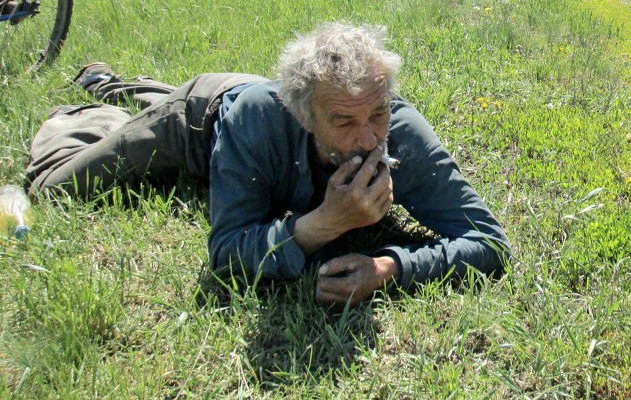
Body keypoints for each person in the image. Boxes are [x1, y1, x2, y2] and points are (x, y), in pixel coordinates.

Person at [25, 23, 510, 305]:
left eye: (378, 113)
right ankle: (93, 106)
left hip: (258, 100)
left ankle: (130, 85)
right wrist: (322, 224)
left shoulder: (399, 130)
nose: (368, 139)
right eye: (343, 122)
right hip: (201, 119)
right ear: (304, 117)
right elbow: (226, 253)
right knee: (56, 184)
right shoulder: (258, 120)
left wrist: (390, 268)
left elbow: (488, 242)